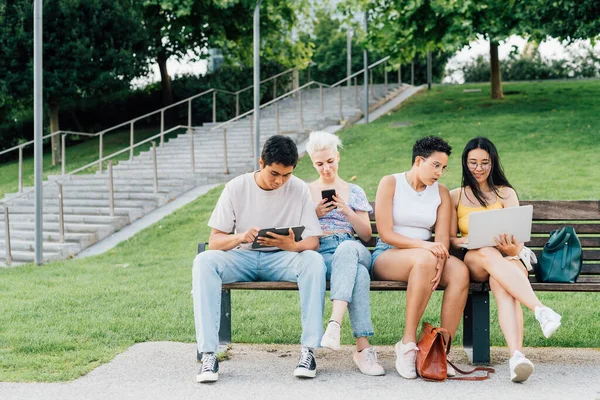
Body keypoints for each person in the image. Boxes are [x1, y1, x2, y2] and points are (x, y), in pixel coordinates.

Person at [192, 135, 326, 383]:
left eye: (286, 175)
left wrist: (291, 245)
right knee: (204, 261)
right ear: (261, 162)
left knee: (314, 261)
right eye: (274, 173)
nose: (280, 181)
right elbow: (215, 241)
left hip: (282, 259)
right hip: (242, 258)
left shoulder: (298, 189)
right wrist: (240, 237)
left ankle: (309, 351)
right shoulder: (236, 187)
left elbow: (313, 242)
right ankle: (209, 354)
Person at [449, 136, 562, 383]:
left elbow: (518, 242)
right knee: (488, 254)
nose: (478, 168)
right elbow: (450, 239)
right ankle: (540, 309)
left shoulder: (505, 193)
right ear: (464, 163)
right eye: (473, 162)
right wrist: (468, 241)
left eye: (484, 162)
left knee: (504, 285)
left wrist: (511, 249)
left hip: (506, 257)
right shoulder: (455, 195)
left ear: (493, 163)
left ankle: (517, 357)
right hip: (476, 259)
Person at [371, 136, 470, 379]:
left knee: (460, 272)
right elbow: (386, 232)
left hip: (426, 256)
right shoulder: (390, 183)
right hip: (388, 254)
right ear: (418, 160)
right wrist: (426, 249)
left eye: (443, 168)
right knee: (424, 259)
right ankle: (407, 344)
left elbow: (442, 240)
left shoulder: (442, 193)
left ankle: (438, 352)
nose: (439, 173)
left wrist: (439, 259)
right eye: (435, 165)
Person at [305, 131, 385, 376]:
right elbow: (301, 234)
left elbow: (366, 236)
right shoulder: (306, 191)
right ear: (313, 163)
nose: (326, 168)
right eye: (320, 164)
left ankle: (334, 324)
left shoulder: (354, 191)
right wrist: (315, 214)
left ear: (337, 157)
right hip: (322, 252)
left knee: (348, 249)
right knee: (359, 275)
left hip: (353, 246)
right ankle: (363, 349)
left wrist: (347, 211)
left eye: (330, 161)